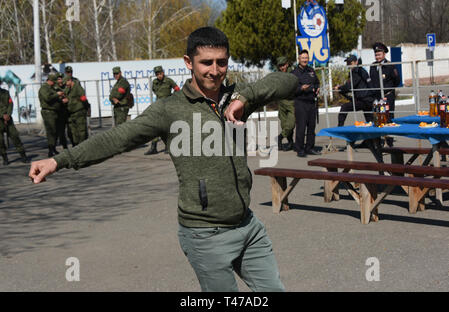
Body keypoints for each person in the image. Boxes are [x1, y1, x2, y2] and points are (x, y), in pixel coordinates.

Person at [29, 26, 299, 292]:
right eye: (206, 63)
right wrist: (59, 161)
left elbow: (289, 82)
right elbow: (117, 139)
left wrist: (245, 97)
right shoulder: (170, 110)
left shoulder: (236, 98)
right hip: (206, 235)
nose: (215, 71)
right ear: (188, 62)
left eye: (221, 62)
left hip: (248, 226)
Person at [144, 65, 180, 155]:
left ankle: (168, 146)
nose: (159, 75)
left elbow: (177, 89)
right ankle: (153, 147)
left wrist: (172, 97)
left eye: (160, 73)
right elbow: (154, 91)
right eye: (157, 74)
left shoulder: (168, 81)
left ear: (163, 73)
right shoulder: (155, 82)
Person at [370, 42, 400, 147]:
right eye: (376, 55)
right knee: (377, 117)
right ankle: (379, 142)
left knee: (388, 117)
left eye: (379, 54)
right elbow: (372, 81)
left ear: (384, 54)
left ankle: (389, 142)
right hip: (377, 96)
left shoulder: (390, 65)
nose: (377, 57)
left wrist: (389, 90)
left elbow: (397, 80)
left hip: (388, 96)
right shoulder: (373, 66)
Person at [292, 50, 321, 157]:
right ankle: (299, 149)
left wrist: (318, 88)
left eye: (306, 58)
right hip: (301, 102)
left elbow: (317, 82)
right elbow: (291, 89)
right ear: (299, 59)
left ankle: (310, 147)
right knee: (301, 127)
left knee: (311, 126)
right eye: (303, 58)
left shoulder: (311, 70)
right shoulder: (294, 73)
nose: (305, 60)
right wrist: (301, 88)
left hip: (311, 102)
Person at [334, 55, 374, 127]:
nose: (348, 65)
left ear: (356, 62)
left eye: (350, 63)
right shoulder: (359, 70)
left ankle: (340, 128)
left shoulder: (356, 72)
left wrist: (339, 88)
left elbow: (349, 86)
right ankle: (374, 137)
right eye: (348, 63)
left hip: (364, 100)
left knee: (344, 107)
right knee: (370, 120)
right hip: (367, 99)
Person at [0, 80, 29, 165]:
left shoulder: (5, 92)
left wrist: (8, 114)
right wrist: (2, 115)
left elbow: (10, 104)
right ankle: (5, 158)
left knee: (15, 136)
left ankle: (23, 155)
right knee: (0, 141)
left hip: (8, 119)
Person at [38, 73, 67, 157]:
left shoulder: (51, 88)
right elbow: (47, 98)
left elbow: (55, 99)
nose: (55, 83)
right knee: (51, 131)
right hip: (48, 112)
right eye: (54, 81)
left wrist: (61, 99)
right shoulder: (44, 88)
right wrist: (57, 94)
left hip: (54, 112)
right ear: (50, 81)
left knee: (55, 131)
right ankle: (50, 149)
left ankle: (53, 148)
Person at [63, 76, 89, 146]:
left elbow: (83, 98)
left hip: (79, 112)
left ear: (70, 80)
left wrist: (69, 101)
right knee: (73, 132)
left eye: (67, 83)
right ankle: (76, 146)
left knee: (81, 131)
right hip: (72, 113)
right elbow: (65, 94)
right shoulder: (68, 89)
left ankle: (83, 146)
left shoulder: (78, 88)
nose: (66, 84)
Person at [276, 57, 295, 152]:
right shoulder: (277, 75)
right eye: (280, 66)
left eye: (283, 65)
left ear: (287, 64)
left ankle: (279, 137)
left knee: (291, 123)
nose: (282, 67)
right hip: (281, 102)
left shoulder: (293, 73)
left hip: (291, 102)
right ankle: (290, 142)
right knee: (284, 124)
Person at [55, 72, 69, 149]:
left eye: (61, 78)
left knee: (70, 129)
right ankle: (64, 145)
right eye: (58, 79)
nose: (60, 80)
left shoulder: (66, 87)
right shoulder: (54, 88)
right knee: (61, 130)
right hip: (60, 111)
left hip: (68, 110)